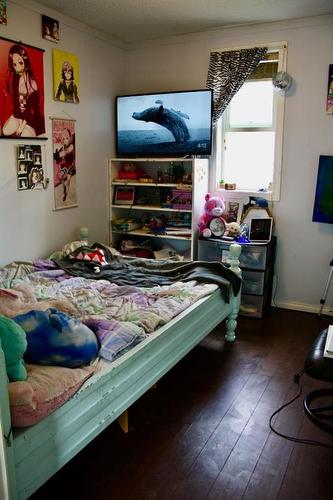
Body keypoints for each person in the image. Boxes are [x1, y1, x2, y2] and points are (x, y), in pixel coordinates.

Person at [2, 44, 44, 137]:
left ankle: (26, 127)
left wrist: (22, 126)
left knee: (24, 134)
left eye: (20, 63)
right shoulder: (16, 79)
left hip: (30, 118)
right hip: (18, 115)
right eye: (14, 64)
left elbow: (32, 110)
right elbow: (16, 101)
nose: (17, 67)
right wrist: (17, 118)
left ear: (25, 61)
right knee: (5, 131)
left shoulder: (33, 83)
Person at [54, 128, 75, 202]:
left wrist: (60, 154)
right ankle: (64, 187)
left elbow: (68, 151)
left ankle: (66, 194)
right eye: (64, 138)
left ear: (69, 138)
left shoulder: (71, 145)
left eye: (67, 138)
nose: (65, 140)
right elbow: (63, 155)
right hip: (65, 165)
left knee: (68, 180)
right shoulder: (63, 147)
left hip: (70, 165)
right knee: (60, 177)